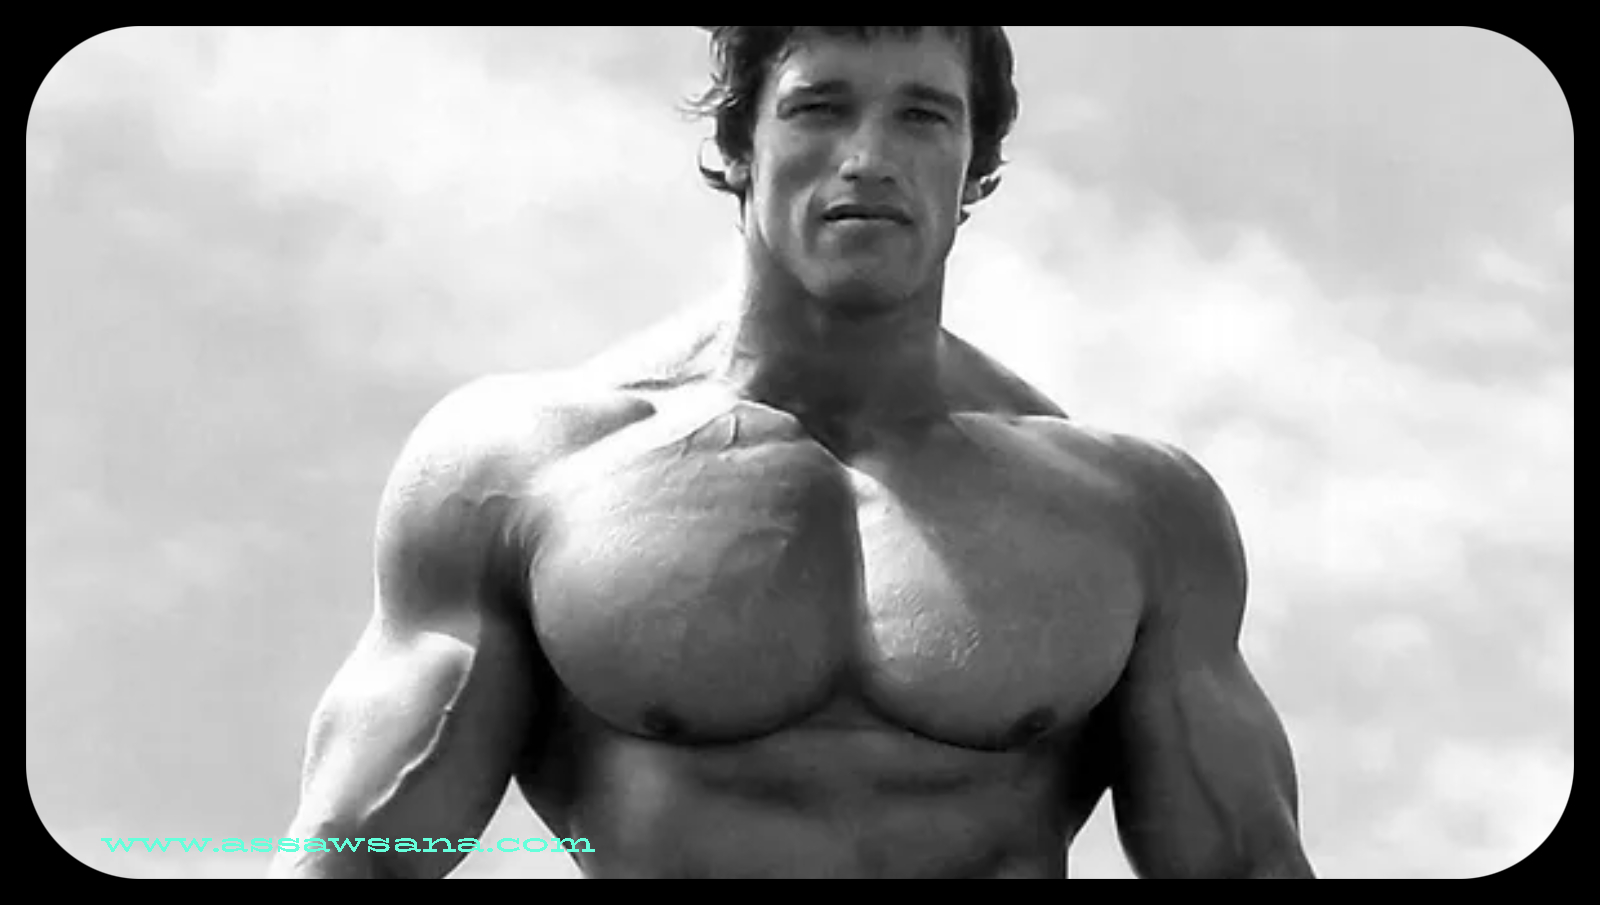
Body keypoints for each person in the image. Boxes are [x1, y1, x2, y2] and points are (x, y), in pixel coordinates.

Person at [270, 25, 1315, 879]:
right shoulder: (527, 472)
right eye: (820, 107)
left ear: (977, 168)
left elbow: (1245, 864)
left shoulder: (1133, 514)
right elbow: (354, 855)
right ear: (739, 146)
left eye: (923, 115)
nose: (870, 156)